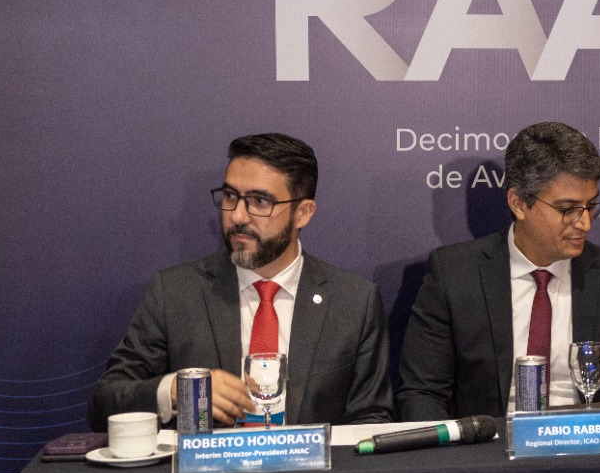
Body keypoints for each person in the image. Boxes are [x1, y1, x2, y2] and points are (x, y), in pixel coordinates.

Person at [90, 133, 394, 429]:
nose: (237, 216)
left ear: (302, 213)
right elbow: (104, 404)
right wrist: (176, 390)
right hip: (208, 465)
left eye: (259, 201)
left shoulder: (354, 302)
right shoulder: (175, 293)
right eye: (230, 197)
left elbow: (372, 419)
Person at [398, 122, 600, 419]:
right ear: (519, 203)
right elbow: (422, 393)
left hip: (588, 440)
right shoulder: (454, 274)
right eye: (567, 209)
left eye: (590, 206)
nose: (584, 223)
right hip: (490, 442)